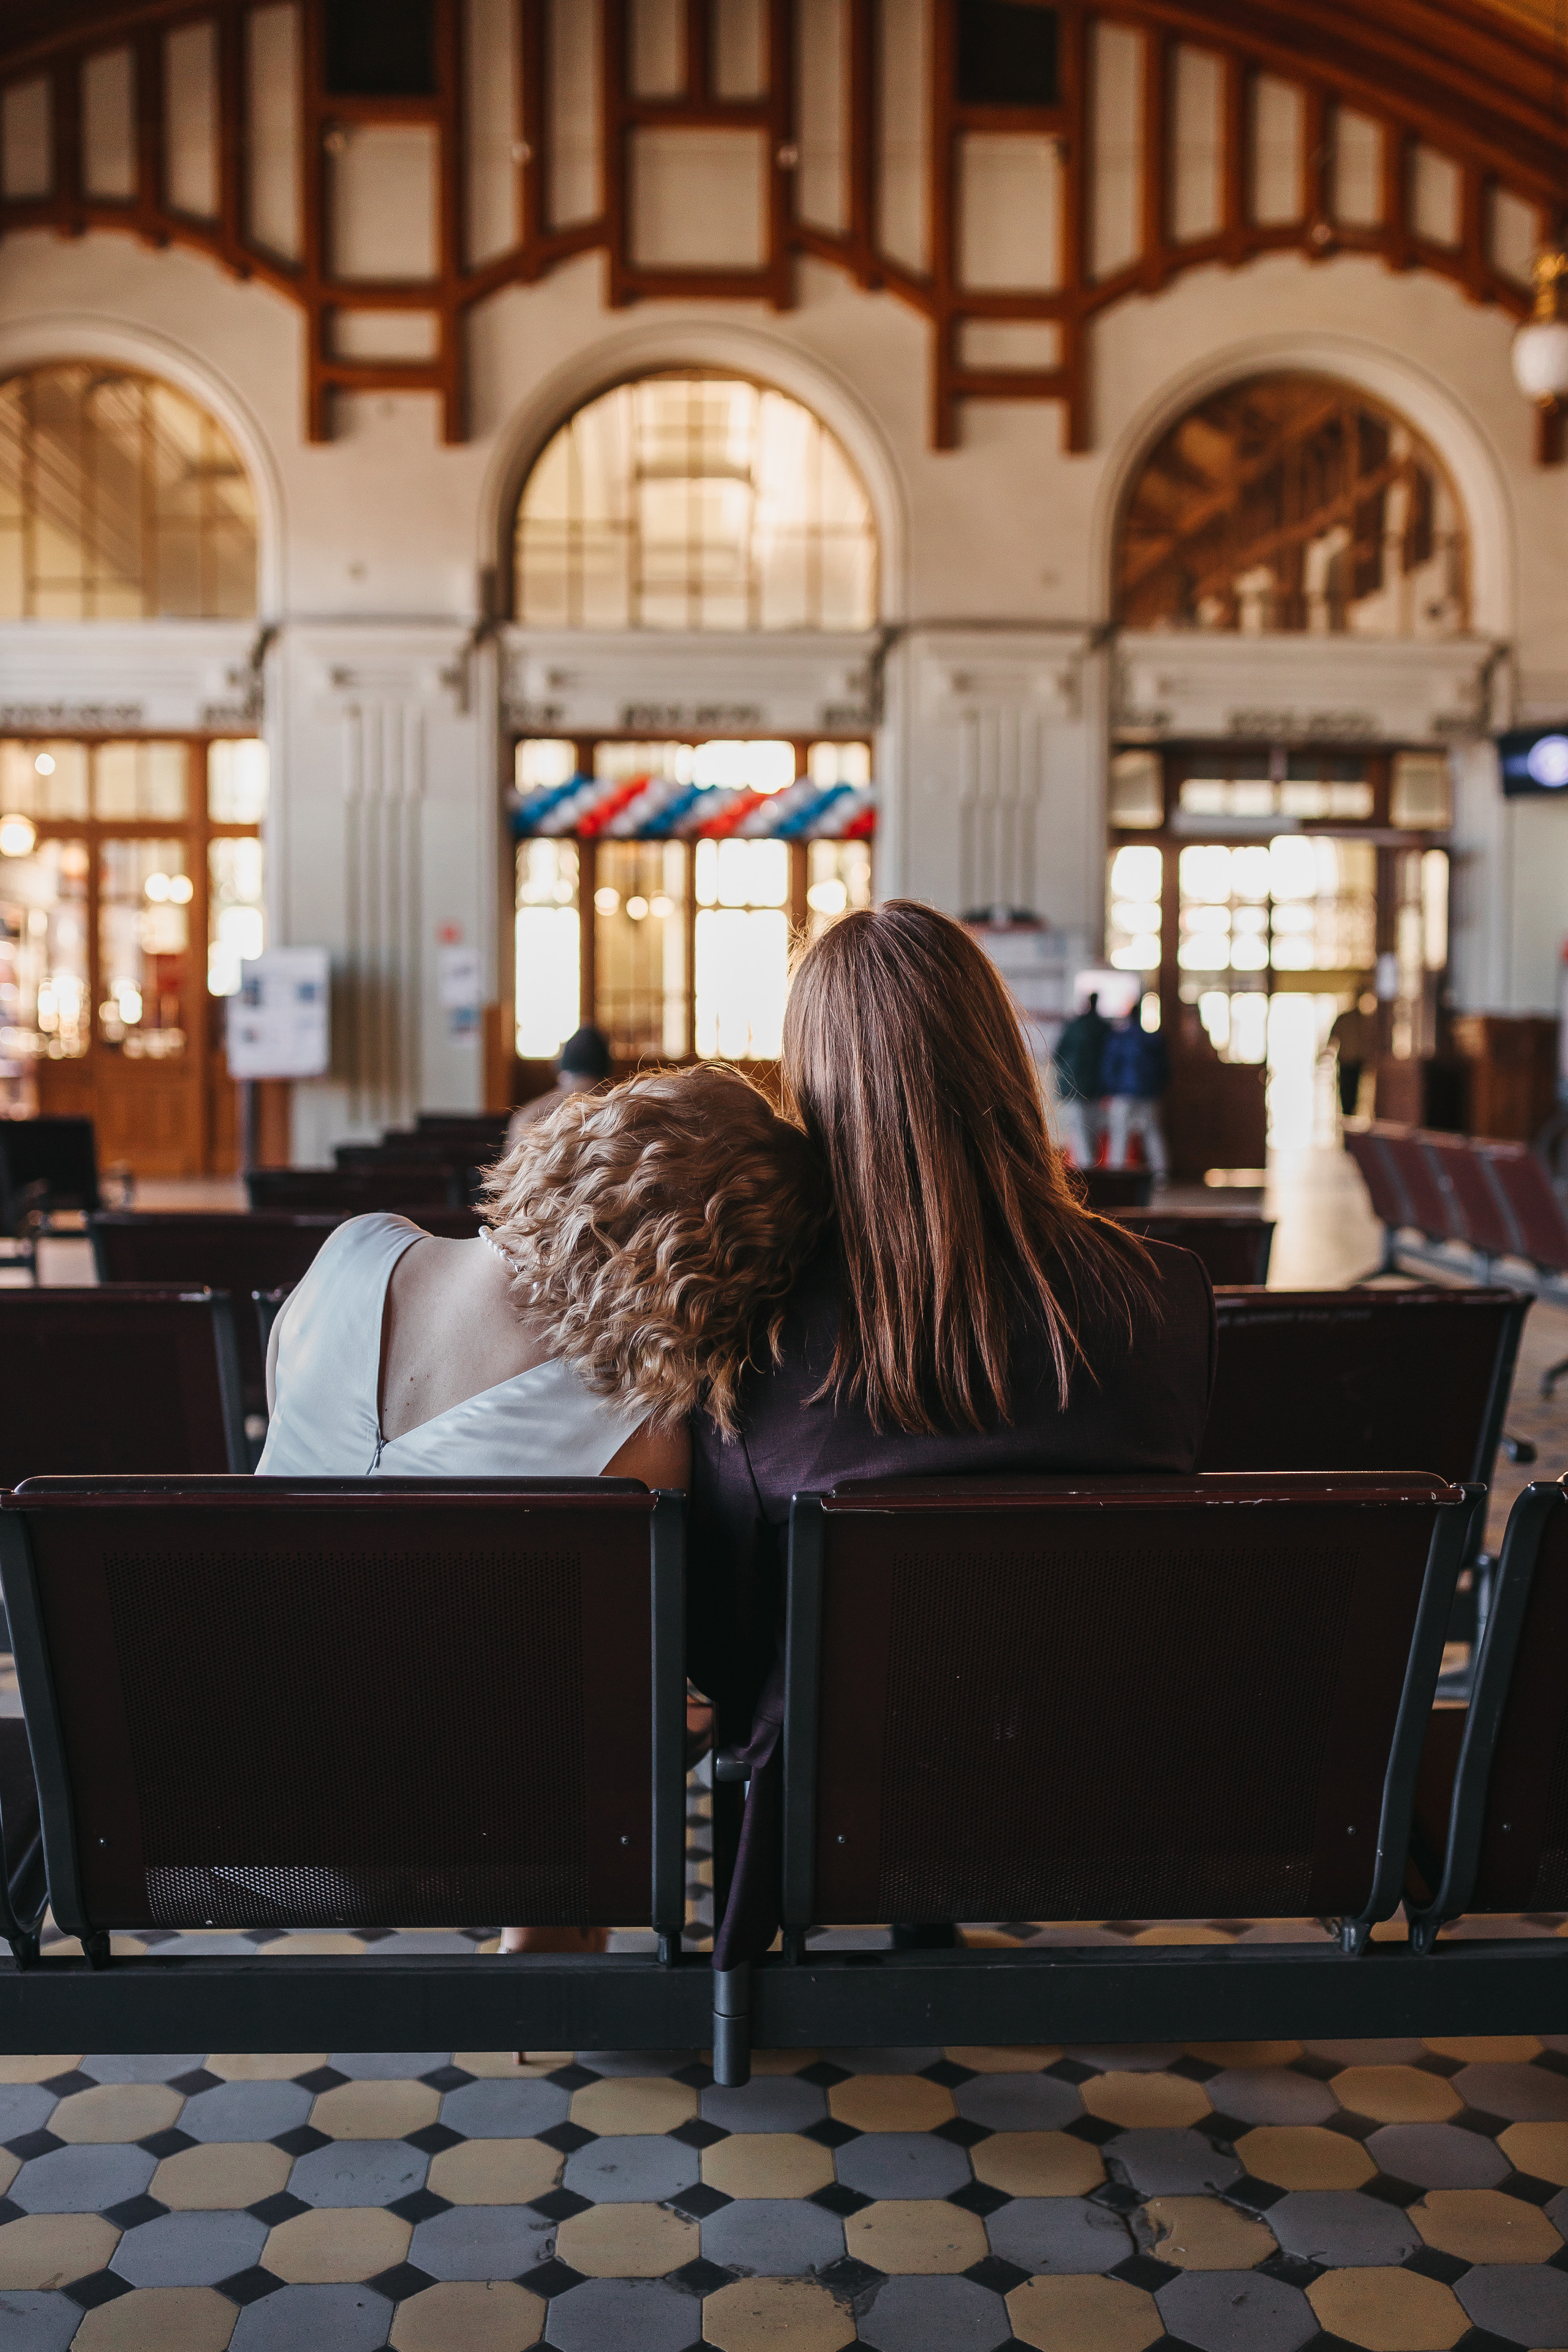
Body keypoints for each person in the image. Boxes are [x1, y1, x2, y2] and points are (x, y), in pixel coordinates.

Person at [687, 903, 1216, 1969]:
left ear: (811, 1082)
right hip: (1102, 1764)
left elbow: (724, 1643)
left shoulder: (756, 1320)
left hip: (833, 1773)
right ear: (1002, 1057)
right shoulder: (1162, 1296)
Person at [260, 1062, 827, 1952]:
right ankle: (552, 1962)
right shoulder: (642, 1435)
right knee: (625, 1683)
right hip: (465, 1812)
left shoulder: (353, 1250)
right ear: (713, 1269)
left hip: (250, 1772)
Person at [505, 1023, 612, 1147]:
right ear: (609, 1071)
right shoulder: (623, 1115)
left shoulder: (528, 1119)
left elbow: (509, 1165)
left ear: (559, 1070)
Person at [1101, 1009, 1171, 1178]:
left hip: (1123, 1094)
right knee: (1152, 1134)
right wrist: (1157, 1089)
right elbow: (1165, 1069)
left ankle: (1116, 1176)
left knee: (1120, 1135)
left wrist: (1108, 1090)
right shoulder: (1153, 1040)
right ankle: (1161, 1174)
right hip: (1148, 1094)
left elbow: (1110, 1067)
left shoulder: (1119, 1039)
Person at [1050, 989, 1109, 1166]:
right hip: (1096, 1088)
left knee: (1078, 1131)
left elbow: (1057, 1054)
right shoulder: (1104, 1029)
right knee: (1093, 1132)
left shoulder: (1073, 1026)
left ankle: (1086, 1171)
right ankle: (1091, 1169)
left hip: (1072, 1085)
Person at [1330, 997, 1376, 1119]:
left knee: (1351, 1090)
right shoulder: (1353, 1019)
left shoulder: (1360, 1019)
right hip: (1348, 1060)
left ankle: (1349, 1113)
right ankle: (1348, 1114)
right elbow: (1334, 1037)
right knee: (1348, 1090)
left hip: (1354, 1061)